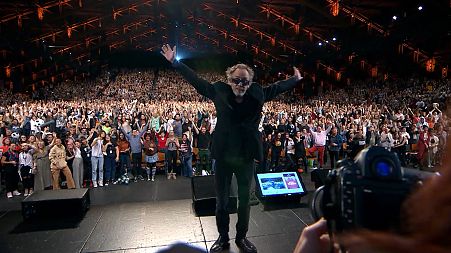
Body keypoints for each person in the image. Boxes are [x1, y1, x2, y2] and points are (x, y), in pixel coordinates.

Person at [161, 44, 302, 253]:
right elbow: (197, 81)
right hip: (223, 154)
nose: (240, 84)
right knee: (222, 201)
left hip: (245, 156)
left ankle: (242, 237)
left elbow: (278, 87)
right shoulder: (219, 91)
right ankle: (223, 237)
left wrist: (295, 79)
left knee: (245, 202)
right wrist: (175, 62)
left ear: (250, 82)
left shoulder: (258, 93)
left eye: (245, 81)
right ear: (229, 80)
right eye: (236, 80)